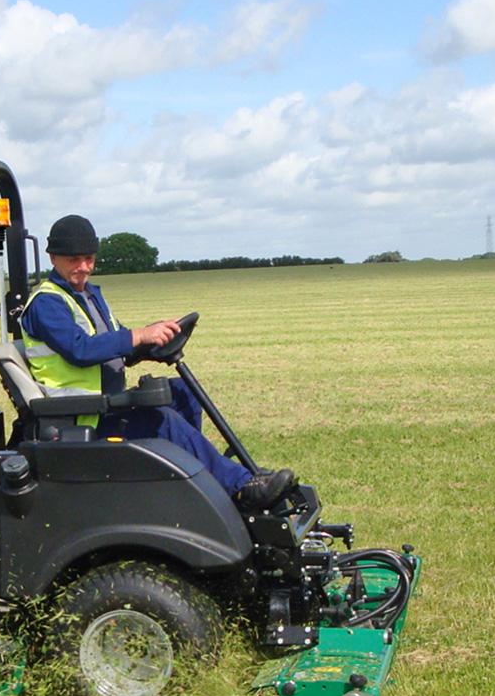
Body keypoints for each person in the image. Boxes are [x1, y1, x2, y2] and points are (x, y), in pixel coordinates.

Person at [20, 214, 295, 511]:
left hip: (102, 405)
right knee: (161, 420)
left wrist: (150, 343)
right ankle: (240, 487)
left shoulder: (87, 296)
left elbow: (117, 345)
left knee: (182, 393)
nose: (83, 267)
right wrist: (138, 335)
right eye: (74, 260)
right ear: (53, 257)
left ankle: (196, 480)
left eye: (89, 258)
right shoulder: (47, 303)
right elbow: (81, 349)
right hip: (80, 418)